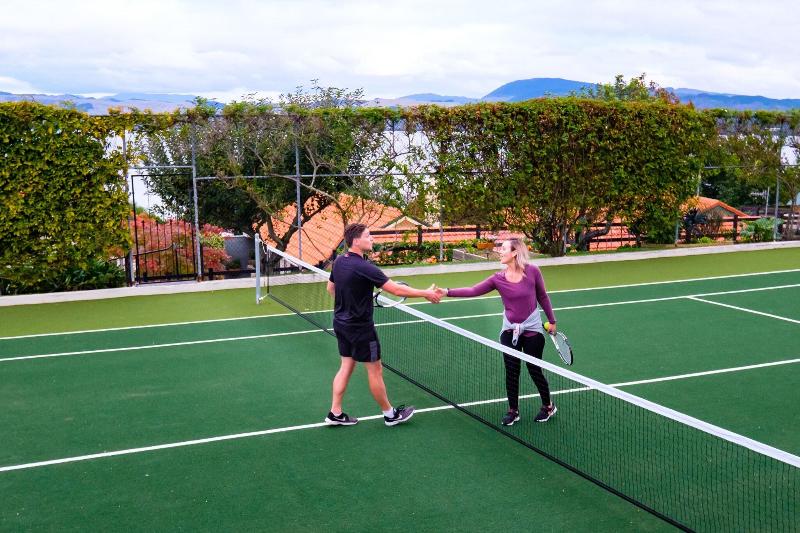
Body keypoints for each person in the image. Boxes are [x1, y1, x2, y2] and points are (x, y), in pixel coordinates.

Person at [324, 222, 442, 427]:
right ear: (356, 240)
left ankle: (335, 412)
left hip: (341, 323)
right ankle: (390, 415)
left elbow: (330, 288)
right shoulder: (366, 267)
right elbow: (396, 290)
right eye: (368, 236)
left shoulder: (339, 262)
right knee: (375, 370)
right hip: (361, 328)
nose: (372, 239)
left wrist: (352, 301)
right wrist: (426, 293)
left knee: (346, 365)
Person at [436, 238, 557, 425]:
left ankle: (548, 405)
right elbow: (473, 290)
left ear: (515, 252)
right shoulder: (497, 278)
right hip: (509, 330)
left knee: (534, 369)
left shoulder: (533, 271)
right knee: (511, 370)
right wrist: (447, 291)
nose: (499, 251)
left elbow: (542, 295)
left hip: (532, 329)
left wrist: (552, 321)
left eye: (503, 249)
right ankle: (513, 410)